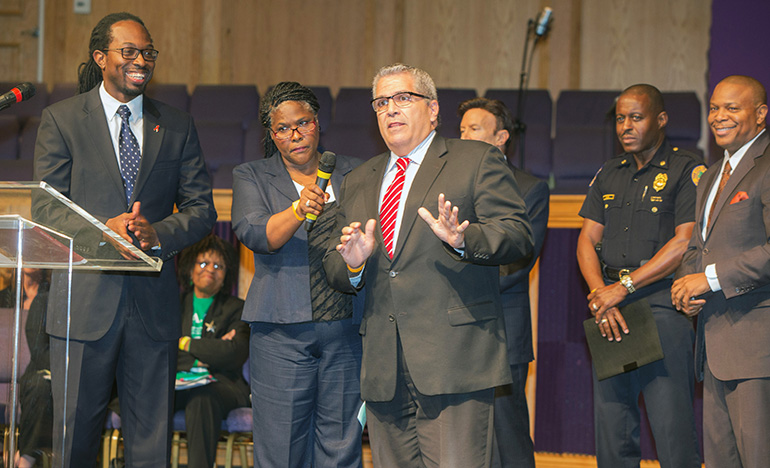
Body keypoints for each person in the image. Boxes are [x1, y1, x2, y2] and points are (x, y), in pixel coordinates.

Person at [323, 63, 534, 468]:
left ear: (433, 110)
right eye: (381, 102)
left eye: (403, 98)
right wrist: (352, 266)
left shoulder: (475, 160)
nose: (391, 110)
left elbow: (516, 233)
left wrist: (463, 240)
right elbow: (336, 265)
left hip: (454, 358)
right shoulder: (358, 179)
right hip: (385, 364)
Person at [33, 12, 216, 467]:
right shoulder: (61, 120)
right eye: (129, 52)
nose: (141, 61)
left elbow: (201, 210)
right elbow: (47, 207)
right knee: (73, 438)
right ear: (100, 57)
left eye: (147, 52)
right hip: (83, 305)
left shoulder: (176, 125)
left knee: (151, 443)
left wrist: (157, 233)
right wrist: (102, 230)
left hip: (152, 309)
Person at [231, 81, 364, 468]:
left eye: (302, 123)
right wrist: (296, 209)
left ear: (317, 122)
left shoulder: (355, 171)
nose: (295, 135)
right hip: (280, 332)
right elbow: (256, 234)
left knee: (341, 445)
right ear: (272, 135)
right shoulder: (251, 175)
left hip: (346, 331)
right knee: (281, 448)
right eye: (283, 129)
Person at [576, 84, 702, 467]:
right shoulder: (608, 172)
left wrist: (623, 287)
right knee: (613, 434)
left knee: (672, 432)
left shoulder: (687, 168)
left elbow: (683, 242)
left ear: (660, 120)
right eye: (620, 118)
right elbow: (586, 241)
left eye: (636, 117)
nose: (625, 127)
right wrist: (602, 295)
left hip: (663, 306)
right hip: (611, 312)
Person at [672, 75, 770, 468]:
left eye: (732, 108)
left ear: (761, 115)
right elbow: (699, 246)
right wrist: (687, 286)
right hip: (712, 345)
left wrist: (710, 278)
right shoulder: (710, 175)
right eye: (714, 107)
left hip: (756, 348)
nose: (719, 116)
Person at [458, 97, 549, 468]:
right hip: (452, 332)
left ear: (501, 138)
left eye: (474, 129)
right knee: (462, 437)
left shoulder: (529, 188)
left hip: (500, 331)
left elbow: (516, 264)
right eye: (460, 130)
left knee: (506, 437)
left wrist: (455, 286)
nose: (464, 137)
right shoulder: (450, 185)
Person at [174, 234, 249, 468]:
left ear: (226, 275)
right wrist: (212, 350)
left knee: (202, 398)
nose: (211, 270)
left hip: (222, 385)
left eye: (219, 266)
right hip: (176, 383)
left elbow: (234, 354)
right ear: (190, 269)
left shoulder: (237, 309)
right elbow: (159, 349)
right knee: (150, 395)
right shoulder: (172, 305)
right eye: (204, 263)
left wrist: (184, 343)